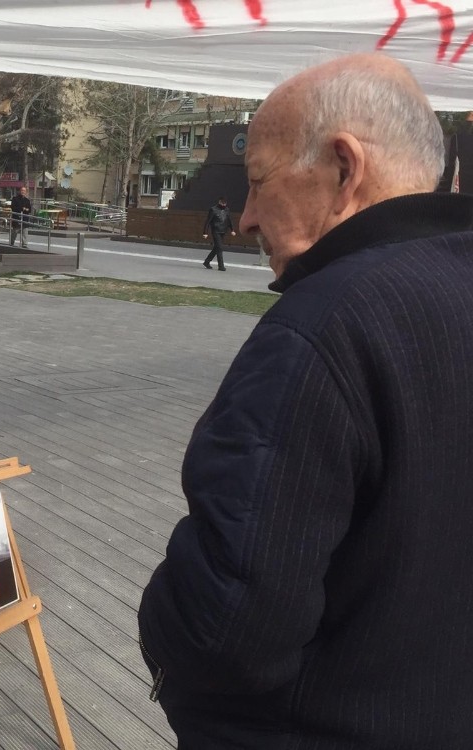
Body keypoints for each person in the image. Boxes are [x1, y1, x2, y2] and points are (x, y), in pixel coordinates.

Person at [137, 52, 473, 749]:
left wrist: (162, 624)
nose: (246, 220)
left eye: (258, 182)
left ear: (346, 170)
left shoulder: (324, 325)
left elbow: (227, 629)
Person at [201, 196, 235, 271]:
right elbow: (208, 221)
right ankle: (221, 266)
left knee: (216, 248)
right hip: (216, 231)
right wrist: (205, 232)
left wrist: (232, 229)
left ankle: (207, 262)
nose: (223, 205)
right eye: (222, 203)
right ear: (219, 202)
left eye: (225, 203)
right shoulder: (213, 209)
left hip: (223, 231)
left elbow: (229, 220)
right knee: (219, 248)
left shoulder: (227, 210)